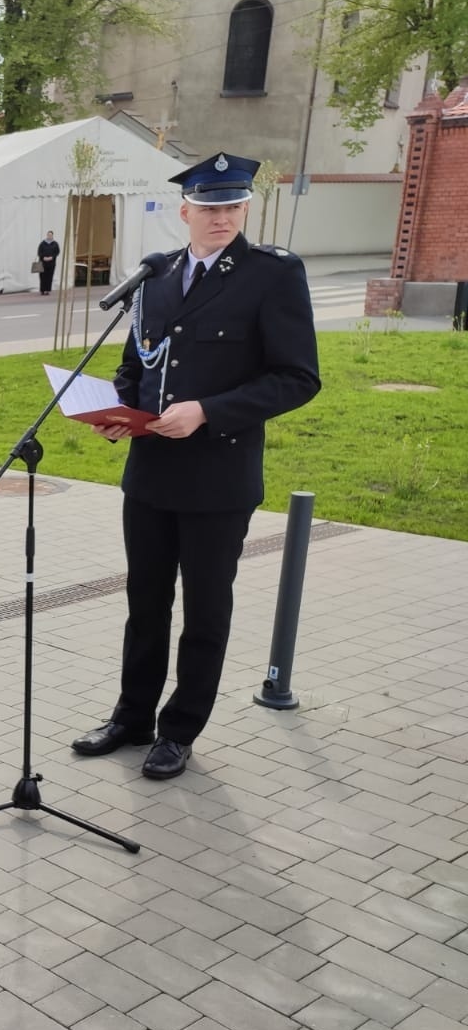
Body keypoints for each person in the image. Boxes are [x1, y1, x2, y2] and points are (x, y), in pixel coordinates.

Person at [72, 152, 321, 780]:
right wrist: (117, 409)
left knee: (205, 610)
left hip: (219, 477)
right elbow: (139, 361)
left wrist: (209, 411)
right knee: (144, 603)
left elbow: (298, 377)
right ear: (184, 212)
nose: (221, 217)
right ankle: (132, 717)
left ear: (246, 208)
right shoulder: (156, 276)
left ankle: (178, 731)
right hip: (151, 471)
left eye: (232, 206)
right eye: (209, 207)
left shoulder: (272, 276)